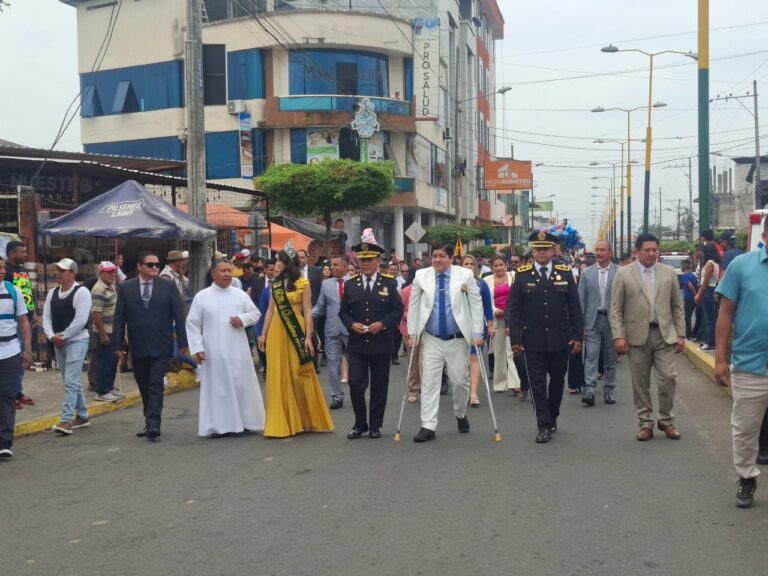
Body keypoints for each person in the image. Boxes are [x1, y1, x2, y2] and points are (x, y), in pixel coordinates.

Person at [507, 230, 584, 443]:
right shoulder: (522, 274)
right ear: (532, 251)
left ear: (553, 250)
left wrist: (578, 336)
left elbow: (575, 307)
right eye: (537, 249)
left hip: (560, 339)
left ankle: (553, 415)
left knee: (558, 381)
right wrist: (515, 339)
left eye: (545, 249)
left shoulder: (565, 272)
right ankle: (543, 423)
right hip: (532, 340)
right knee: (537, 384)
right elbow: (514, 310)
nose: (541, 253)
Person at [714, 218, 768, 507]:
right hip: (751, 364)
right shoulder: (742, 266)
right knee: (745, 428)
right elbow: (725, 314)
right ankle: (747, 478)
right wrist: (719, 359)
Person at [610, 233, 685, 442]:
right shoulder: (624, 274)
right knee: (640, 382)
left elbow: (677, 307)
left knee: (668, 378)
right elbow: (616, 309)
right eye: (646, 250)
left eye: (654, 250)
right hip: (636, 336)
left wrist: (681, 335)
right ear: (637, 252)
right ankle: (645, 422)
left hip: (664, 334)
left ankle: (667, 420)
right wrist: (618, 336)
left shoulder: (668, 272)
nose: (651, 254)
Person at [406, 242, 484, 443]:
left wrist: (478, 332)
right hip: (432, 338)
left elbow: (475, 304)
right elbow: (414, 306)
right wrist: (412, 333)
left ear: (451, 258)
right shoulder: (421, 276)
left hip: (457, 339)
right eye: (434, 256)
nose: (437, 260)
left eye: (442, 256)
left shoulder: (464, 276)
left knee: (459, 381)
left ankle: (460, 413)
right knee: (430, 382)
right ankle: (428, 425)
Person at [257, 245, 334, 438]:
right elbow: (270, 311)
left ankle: (304, 418)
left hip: (296, 329)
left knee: (298, 373)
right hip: (276, 330)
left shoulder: (303, 283)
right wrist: (263, 334)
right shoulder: (274, 285)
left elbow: (308, 311)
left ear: (288, 263)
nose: (276, 264)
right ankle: (281, 422)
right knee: (277, 374)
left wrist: (308, 336)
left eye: (280, 261)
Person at [112, 251, 189, 440]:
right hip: (138, 345)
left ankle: (154, 423)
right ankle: (149, 419)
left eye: (157, 264)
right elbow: (119, 318)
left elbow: (179, 315)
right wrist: (117, 344)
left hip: (161, 344)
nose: (155, 267)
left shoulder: (168, 286)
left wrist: (183, 342)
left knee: (155, 383)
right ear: (139, 267)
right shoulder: (127, 288)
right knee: (144, 384)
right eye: (150, 265)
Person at [187, 260, 265, 438]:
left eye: (230, 270)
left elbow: (255, 314)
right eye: (223, 271)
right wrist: (197, 347)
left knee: (241, 385)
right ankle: (219, 425)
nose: (228, 274)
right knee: (219, 388)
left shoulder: (240, 295)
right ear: (213, 274)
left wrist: (242, 319)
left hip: (238, 349)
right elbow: (192, 324)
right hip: (213, 350)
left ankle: (246, 423)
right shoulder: (202, 296)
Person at [339, 240, 403, 439]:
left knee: (379, 386)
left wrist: (382, 324)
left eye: (369, 260)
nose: (365, 264)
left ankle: (376, 425)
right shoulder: (350, 285)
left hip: (381, 342)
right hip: (358, 343)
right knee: (356, 384)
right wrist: (352, 325)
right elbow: (343, 313)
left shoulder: (389, 283)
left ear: (377, 262)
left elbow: (397, 310)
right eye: (362, 260)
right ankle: (360, 424)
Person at [43, 259, 93, 435]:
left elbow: (80, 321)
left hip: (77, 341)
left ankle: (65, 421)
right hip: (59, 341)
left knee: (71, 381)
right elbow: (46, 318)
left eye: (63, 270)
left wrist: (62, 336)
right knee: (70, 380)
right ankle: (83, 415)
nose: (59, 273)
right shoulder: (52, 293)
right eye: (58, 270)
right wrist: (51, 336)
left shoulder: (82, 292)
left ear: (73, 273)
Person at [578, 240, 618, 406]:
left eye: (603, 250)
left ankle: (609, 390)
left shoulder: (620, 272)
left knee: (610, 358)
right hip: (592, 321)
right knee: (591, 355)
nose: (599, 253)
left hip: (612, 321)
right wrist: (581, 325)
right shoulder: (587, 273)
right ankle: (590, 390)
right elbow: (581, 299)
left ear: (610, 253)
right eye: (597, 250)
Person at [0, 256, 33, 458]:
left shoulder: (14, 291)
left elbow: (23, 322)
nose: (2, 271)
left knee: (7, 396)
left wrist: (27, 349)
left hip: (10, 351)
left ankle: (4, 442)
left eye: (2, 267)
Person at [312, 256, 350, 410]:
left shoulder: (355, 282)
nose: (332, 267)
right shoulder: (326, 284)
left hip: (352, 329)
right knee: (333, 364)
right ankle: (336, 396)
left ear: (345, 267)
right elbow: (320, 307)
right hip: (332, 329)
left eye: (335, 265)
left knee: (355, 363)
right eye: (331, 265)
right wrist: (306, 316)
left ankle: (357, 391)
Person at [3, 240, 35, 409]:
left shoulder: (22, 271)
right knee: (14, 358)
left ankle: (17, 391)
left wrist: (33, 313)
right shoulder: (5, 272)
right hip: (12, 320)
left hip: (25, 317)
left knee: (23, 356)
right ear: (11, 253)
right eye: (22, 252)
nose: (25, 255)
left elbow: (27, 292)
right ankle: (10, 393)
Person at [483, 254, 520, 395]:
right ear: (492, 267)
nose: (499, 268)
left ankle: (515, 383)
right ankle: (499, 384)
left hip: (513, 319)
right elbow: (485, 301)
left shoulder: (514, 276)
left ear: (506, 265)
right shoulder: (486, 281)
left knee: (512, 351)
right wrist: (495, 311)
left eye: (501, 265)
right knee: (499, 352)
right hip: (496, 319)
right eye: (496, 265)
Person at [462, 255, 494, 407]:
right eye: (465, 263)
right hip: (458, 327)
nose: (468, 266)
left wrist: (490, 325)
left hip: (476, 326)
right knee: (461, 361)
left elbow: (487, 306)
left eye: (471, 264)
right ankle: (463, 389)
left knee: (475, 358)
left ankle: (473, 393)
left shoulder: (481, 284)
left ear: (475, 267)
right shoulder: (454, 283)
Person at [90, 261, 123, 403]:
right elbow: (96, 314)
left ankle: (109, 387)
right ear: (101, 273)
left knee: (112, 361)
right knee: (104, 362)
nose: (112, 274)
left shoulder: (110, 287)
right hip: (105, 332)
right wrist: (103, 334)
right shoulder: (99, 289)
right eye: (109, 272)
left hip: (113, 330)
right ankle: (102, 391)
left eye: (113, 271)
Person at [694, 242, 721, 351]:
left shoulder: (709, 264)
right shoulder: (715, 263)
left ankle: (710, 343)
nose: (701, 252)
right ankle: (711, 341)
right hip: (712, 289)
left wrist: (699, 294)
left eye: (702, 250)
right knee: (712, 318)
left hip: (708, 290)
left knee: (710, 319)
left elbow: (706, 281)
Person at [252, 258, 275, 375]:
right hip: (260, 316)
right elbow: (255, 299)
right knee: (260, 340)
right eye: (271, 270)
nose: (273, 272)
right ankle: (265, 364)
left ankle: (271, 367)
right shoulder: (257, 282)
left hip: (275, 319)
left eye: (275, 270)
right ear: (265, 269)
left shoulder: (281, 283)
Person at [680, 260, 699, 341]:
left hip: (688, 299)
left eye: (681, 266)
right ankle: (692, 334)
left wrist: (695, 295)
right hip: (693, 299)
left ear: (683, 267)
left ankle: (688, 336)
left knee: (687, 318)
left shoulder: (685, 276)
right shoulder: (693, 275)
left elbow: (690, 286)